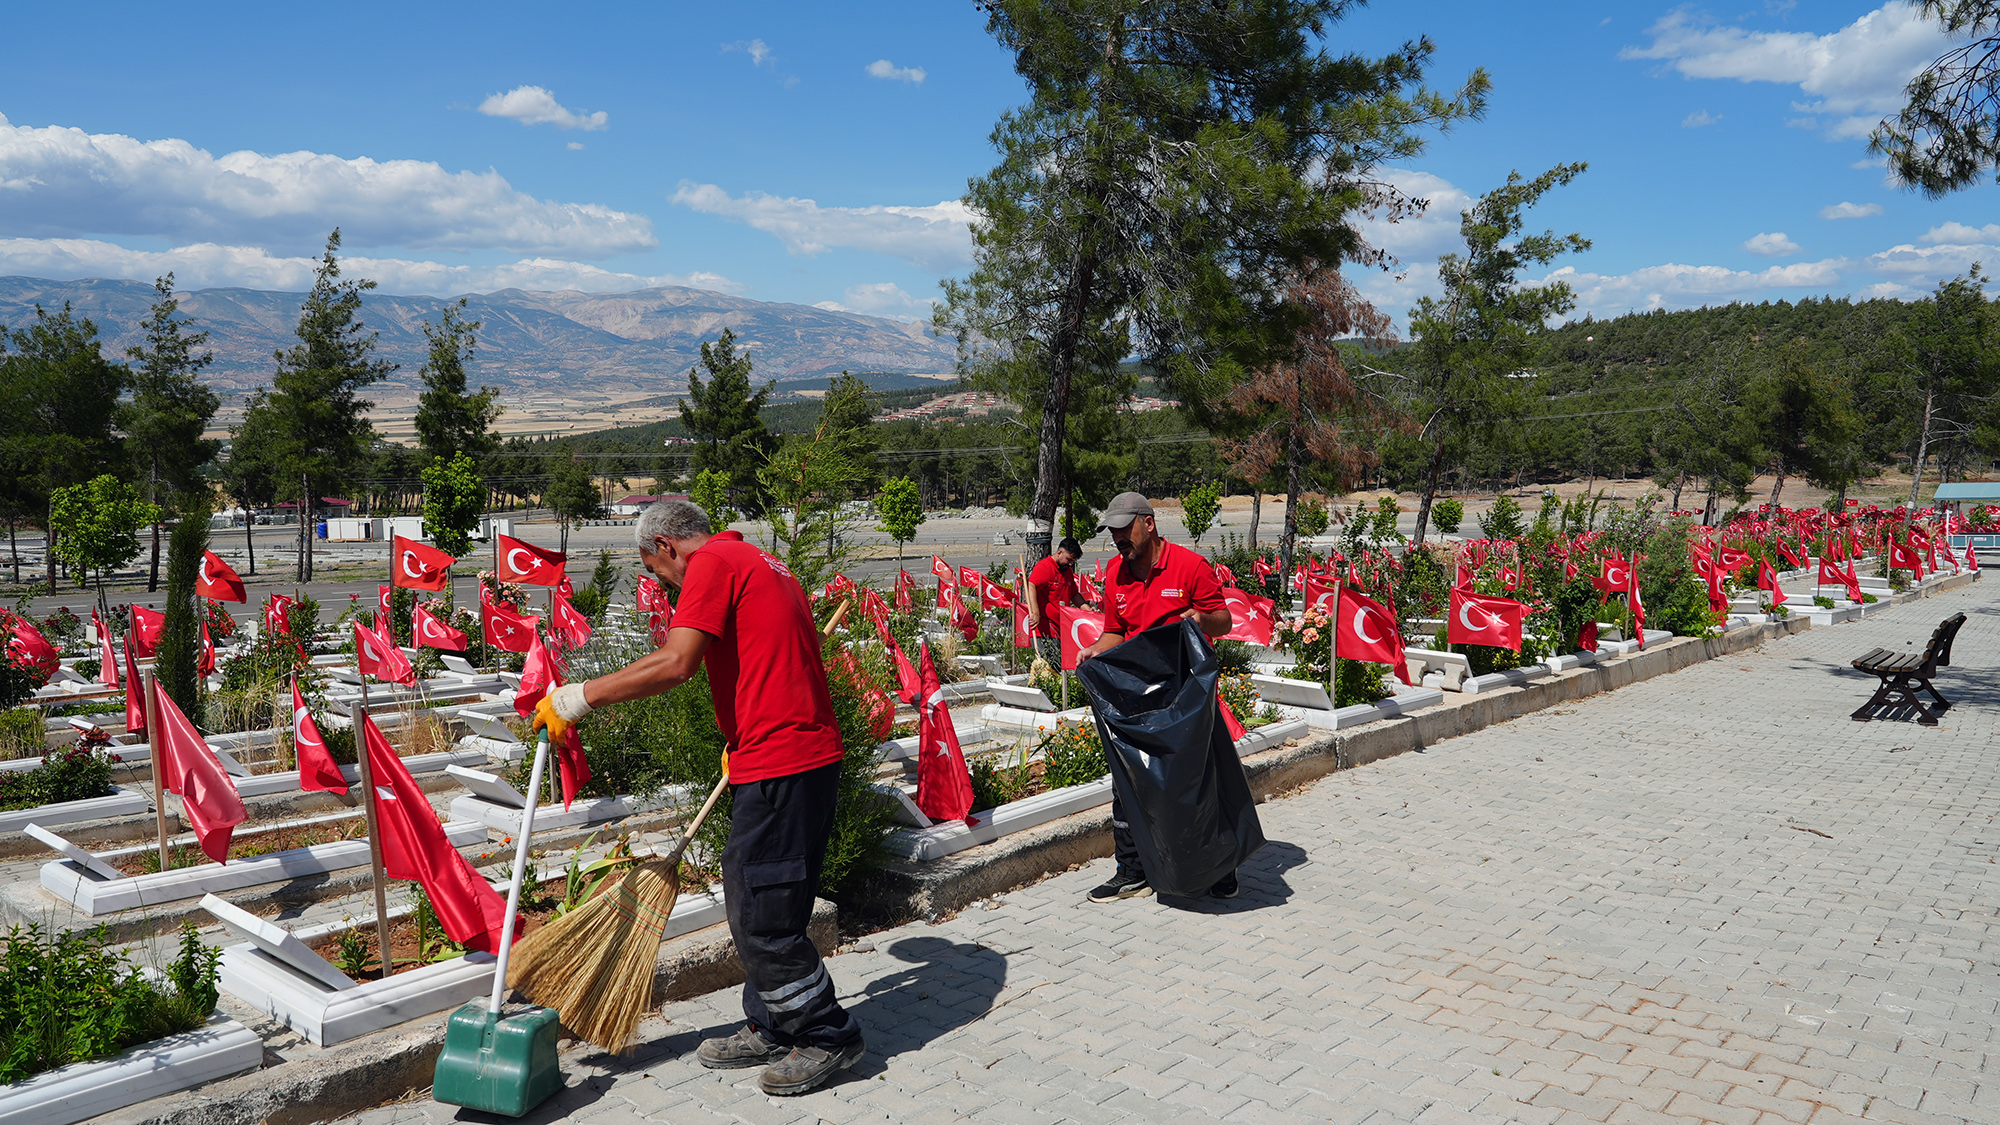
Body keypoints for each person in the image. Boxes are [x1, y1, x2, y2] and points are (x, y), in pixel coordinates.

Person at [531, 500, 864, 1096]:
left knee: (761, 910)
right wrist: (743, 735)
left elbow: (678, 661)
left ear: (665, 545)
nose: (666, 584)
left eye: (659, 573)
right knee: (765, 897)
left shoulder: (711, 563)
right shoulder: (759, 559)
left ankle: (826, 1033)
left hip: (784, 761)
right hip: (791, 755)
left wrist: (580, 695)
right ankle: (772, 1021)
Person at [1076, 491, 1234, 904]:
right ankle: (1132, 870)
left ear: (1148, 522)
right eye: (1112, 531)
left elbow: (1224, 620)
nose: (1117, 538)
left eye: (1124, 528)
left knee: (1198, 781)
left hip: (1187, 696)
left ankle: (1219, 868)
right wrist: (1096, 649)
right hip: (1139, 698)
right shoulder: (1114, 573)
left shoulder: (1189, 566)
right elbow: (1115, 631)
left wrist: (1199, 619)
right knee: (1130, 779)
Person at [1023, 536, 1083, 666]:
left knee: (1060, 666)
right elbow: (1031, 585)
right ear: (1059, 552)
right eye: (1069, 559)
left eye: (1073, 561)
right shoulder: (1045, 567)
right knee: (1048, 666)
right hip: (1044, 630)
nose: (1070, 564)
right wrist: (1035, 612)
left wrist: (1088, 610)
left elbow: (1074, 595)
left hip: (1060, 630)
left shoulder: (1066, 572)